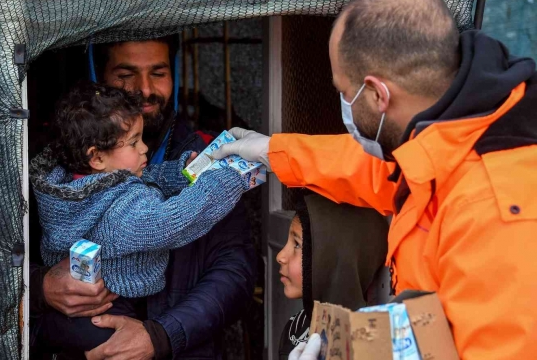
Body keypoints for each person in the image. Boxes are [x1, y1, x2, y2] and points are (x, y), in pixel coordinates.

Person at [213, 0, 537, 358]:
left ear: (378, 94)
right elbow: (371, 168)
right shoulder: (459, 130)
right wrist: (273, 151)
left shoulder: (496, 208)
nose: (342, 102)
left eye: (343, 92)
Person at [30, 35, 257, 360]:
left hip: (186, 347)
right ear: (98, 73)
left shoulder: (91, 175)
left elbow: (235, 269)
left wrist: (163, 335)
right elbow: (174, 219)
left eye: (159, 73)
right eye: (125, 75)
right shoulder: (51, 159)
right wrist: (39, 287)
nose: (145, 89)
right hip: (98, 322)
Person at [276, 193, 388, 359]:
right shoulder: (296, 326)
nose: (280, 256)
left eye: (297, 244)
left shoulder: (365, 347)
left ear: (335, 261)